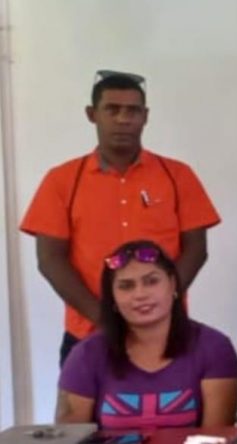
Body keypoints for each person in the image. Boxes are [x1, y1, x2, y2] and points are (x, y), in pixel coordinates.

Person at [22, 71, 221, 365]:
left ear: (146, 116)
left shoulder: (178, 176)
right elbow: (50, 260)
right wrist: (105, 319)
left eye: (133, 110)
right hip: (88, 334)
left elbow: (196, 249)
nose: (123, 119)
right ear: (92, 114)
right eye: (112, 109)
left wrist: (161, 306)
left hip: (165, 334)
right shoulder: (62, 180)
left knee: (171, 412)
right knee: (82, 413)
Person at [56, 240, 237, 429]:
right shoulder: (85, 356)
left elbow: (215, 439)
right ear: (112, 298)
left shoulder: (214, 347)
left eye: (151, 281)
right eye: (126, 286)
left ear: (173, 285)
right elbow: (69, 438)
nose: (140, 294)